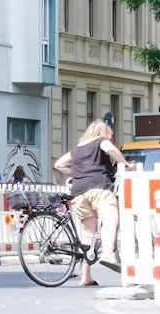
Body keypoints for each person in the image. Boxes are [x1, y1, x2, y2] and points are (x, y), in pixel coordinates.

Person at [54, 119, 128, 286]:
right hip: (99, 187)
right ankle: (107, 254)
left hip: (79, 192)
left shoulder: (77, 148)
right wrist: (125, 164)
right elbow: (110, 150)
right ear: (104, 133)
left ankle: (85, 276)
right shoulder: (101, 141)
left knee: (88, 234)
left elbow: (59, 164)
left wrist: (79, 173)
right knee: (111, 220)